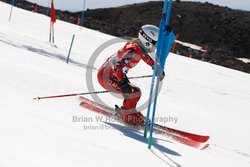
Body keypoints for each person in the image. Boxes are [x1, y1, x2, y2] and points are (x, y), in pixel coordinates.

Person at [97, 25, 164, 125]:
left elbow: (144, 56)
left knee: (132, 93)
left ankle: (128, 112)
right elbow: (118, 65)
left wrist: (155, 66)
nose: (156, 48)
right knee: (134, 93)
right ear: (147, 41)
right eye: (155, 44)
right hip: (107, 77)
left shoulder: (138, 47)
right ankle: (127, 116)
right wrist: (123, 84)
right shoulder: (133, 50)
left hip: (113, 75)